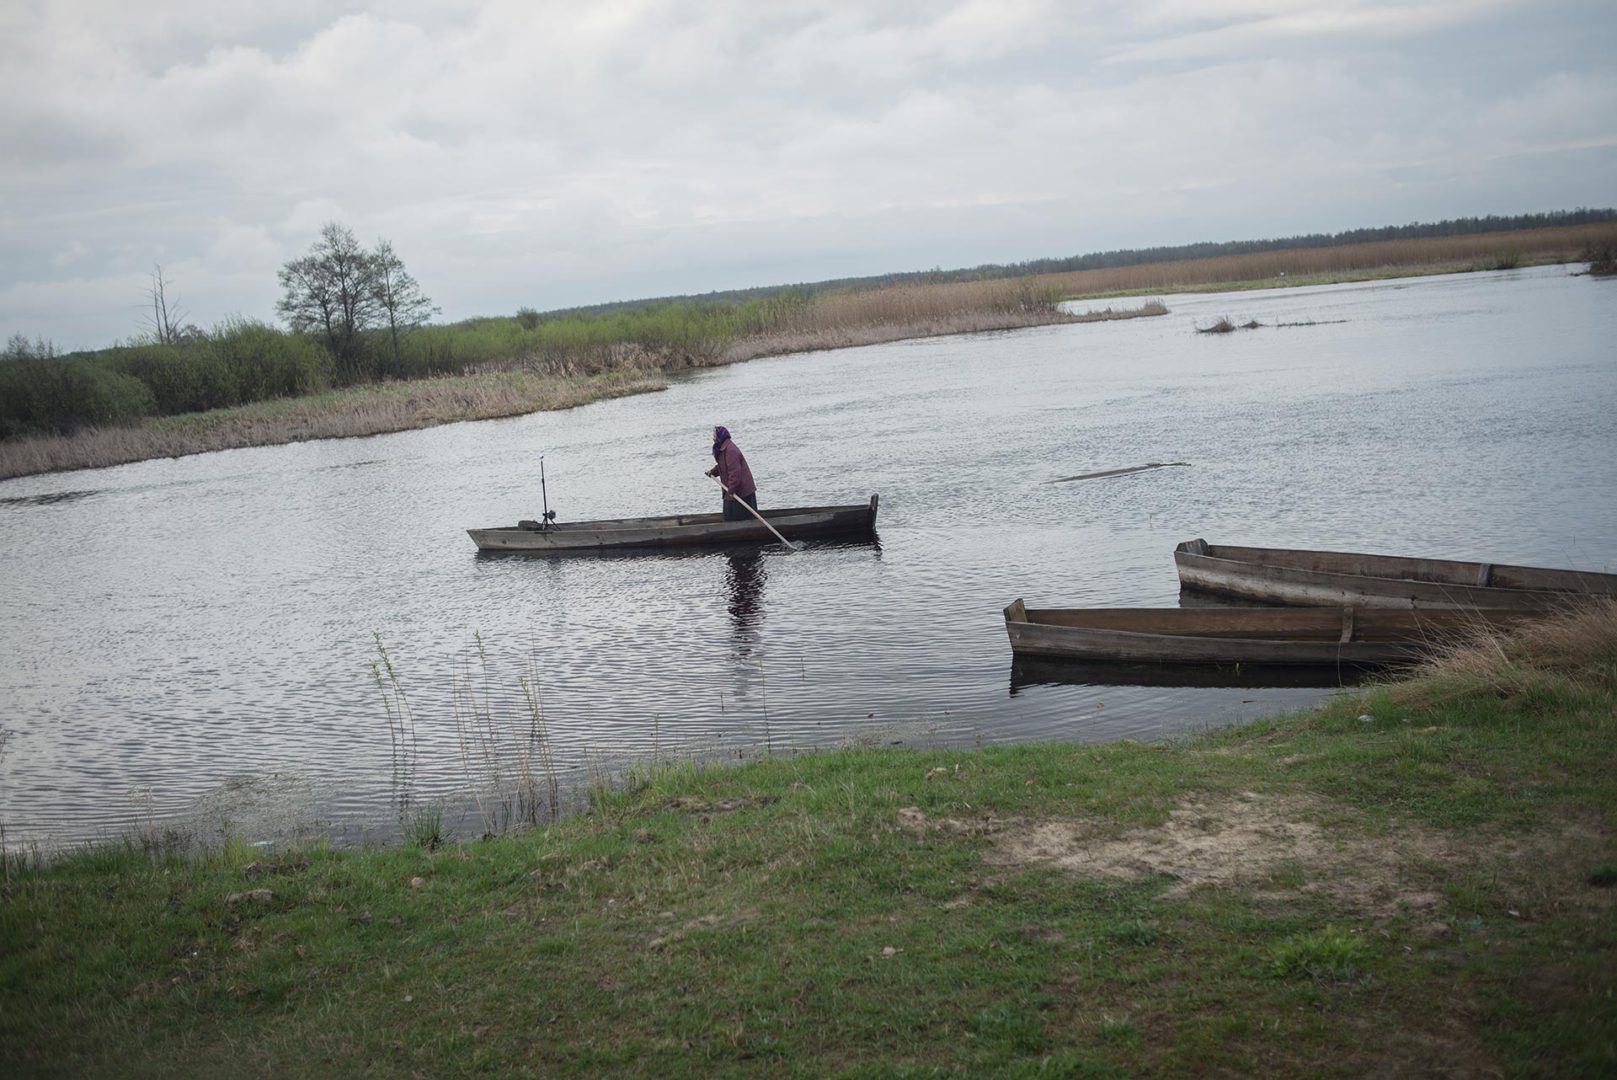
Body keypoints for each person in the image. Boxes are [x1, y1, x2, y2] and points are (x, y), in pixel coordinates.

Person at [706, 425, 758, 521]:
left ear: (720, 436)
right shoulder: (722, 449)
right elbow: (723, 466)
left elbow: (735, 474)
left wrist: (731, 491)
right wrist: (712, 472)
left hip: (741, 494)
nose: (712, 438)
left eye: (714, 435)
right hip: (732, 492)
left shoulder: (730, 450)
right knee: (729, 518)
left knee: (741, 520)